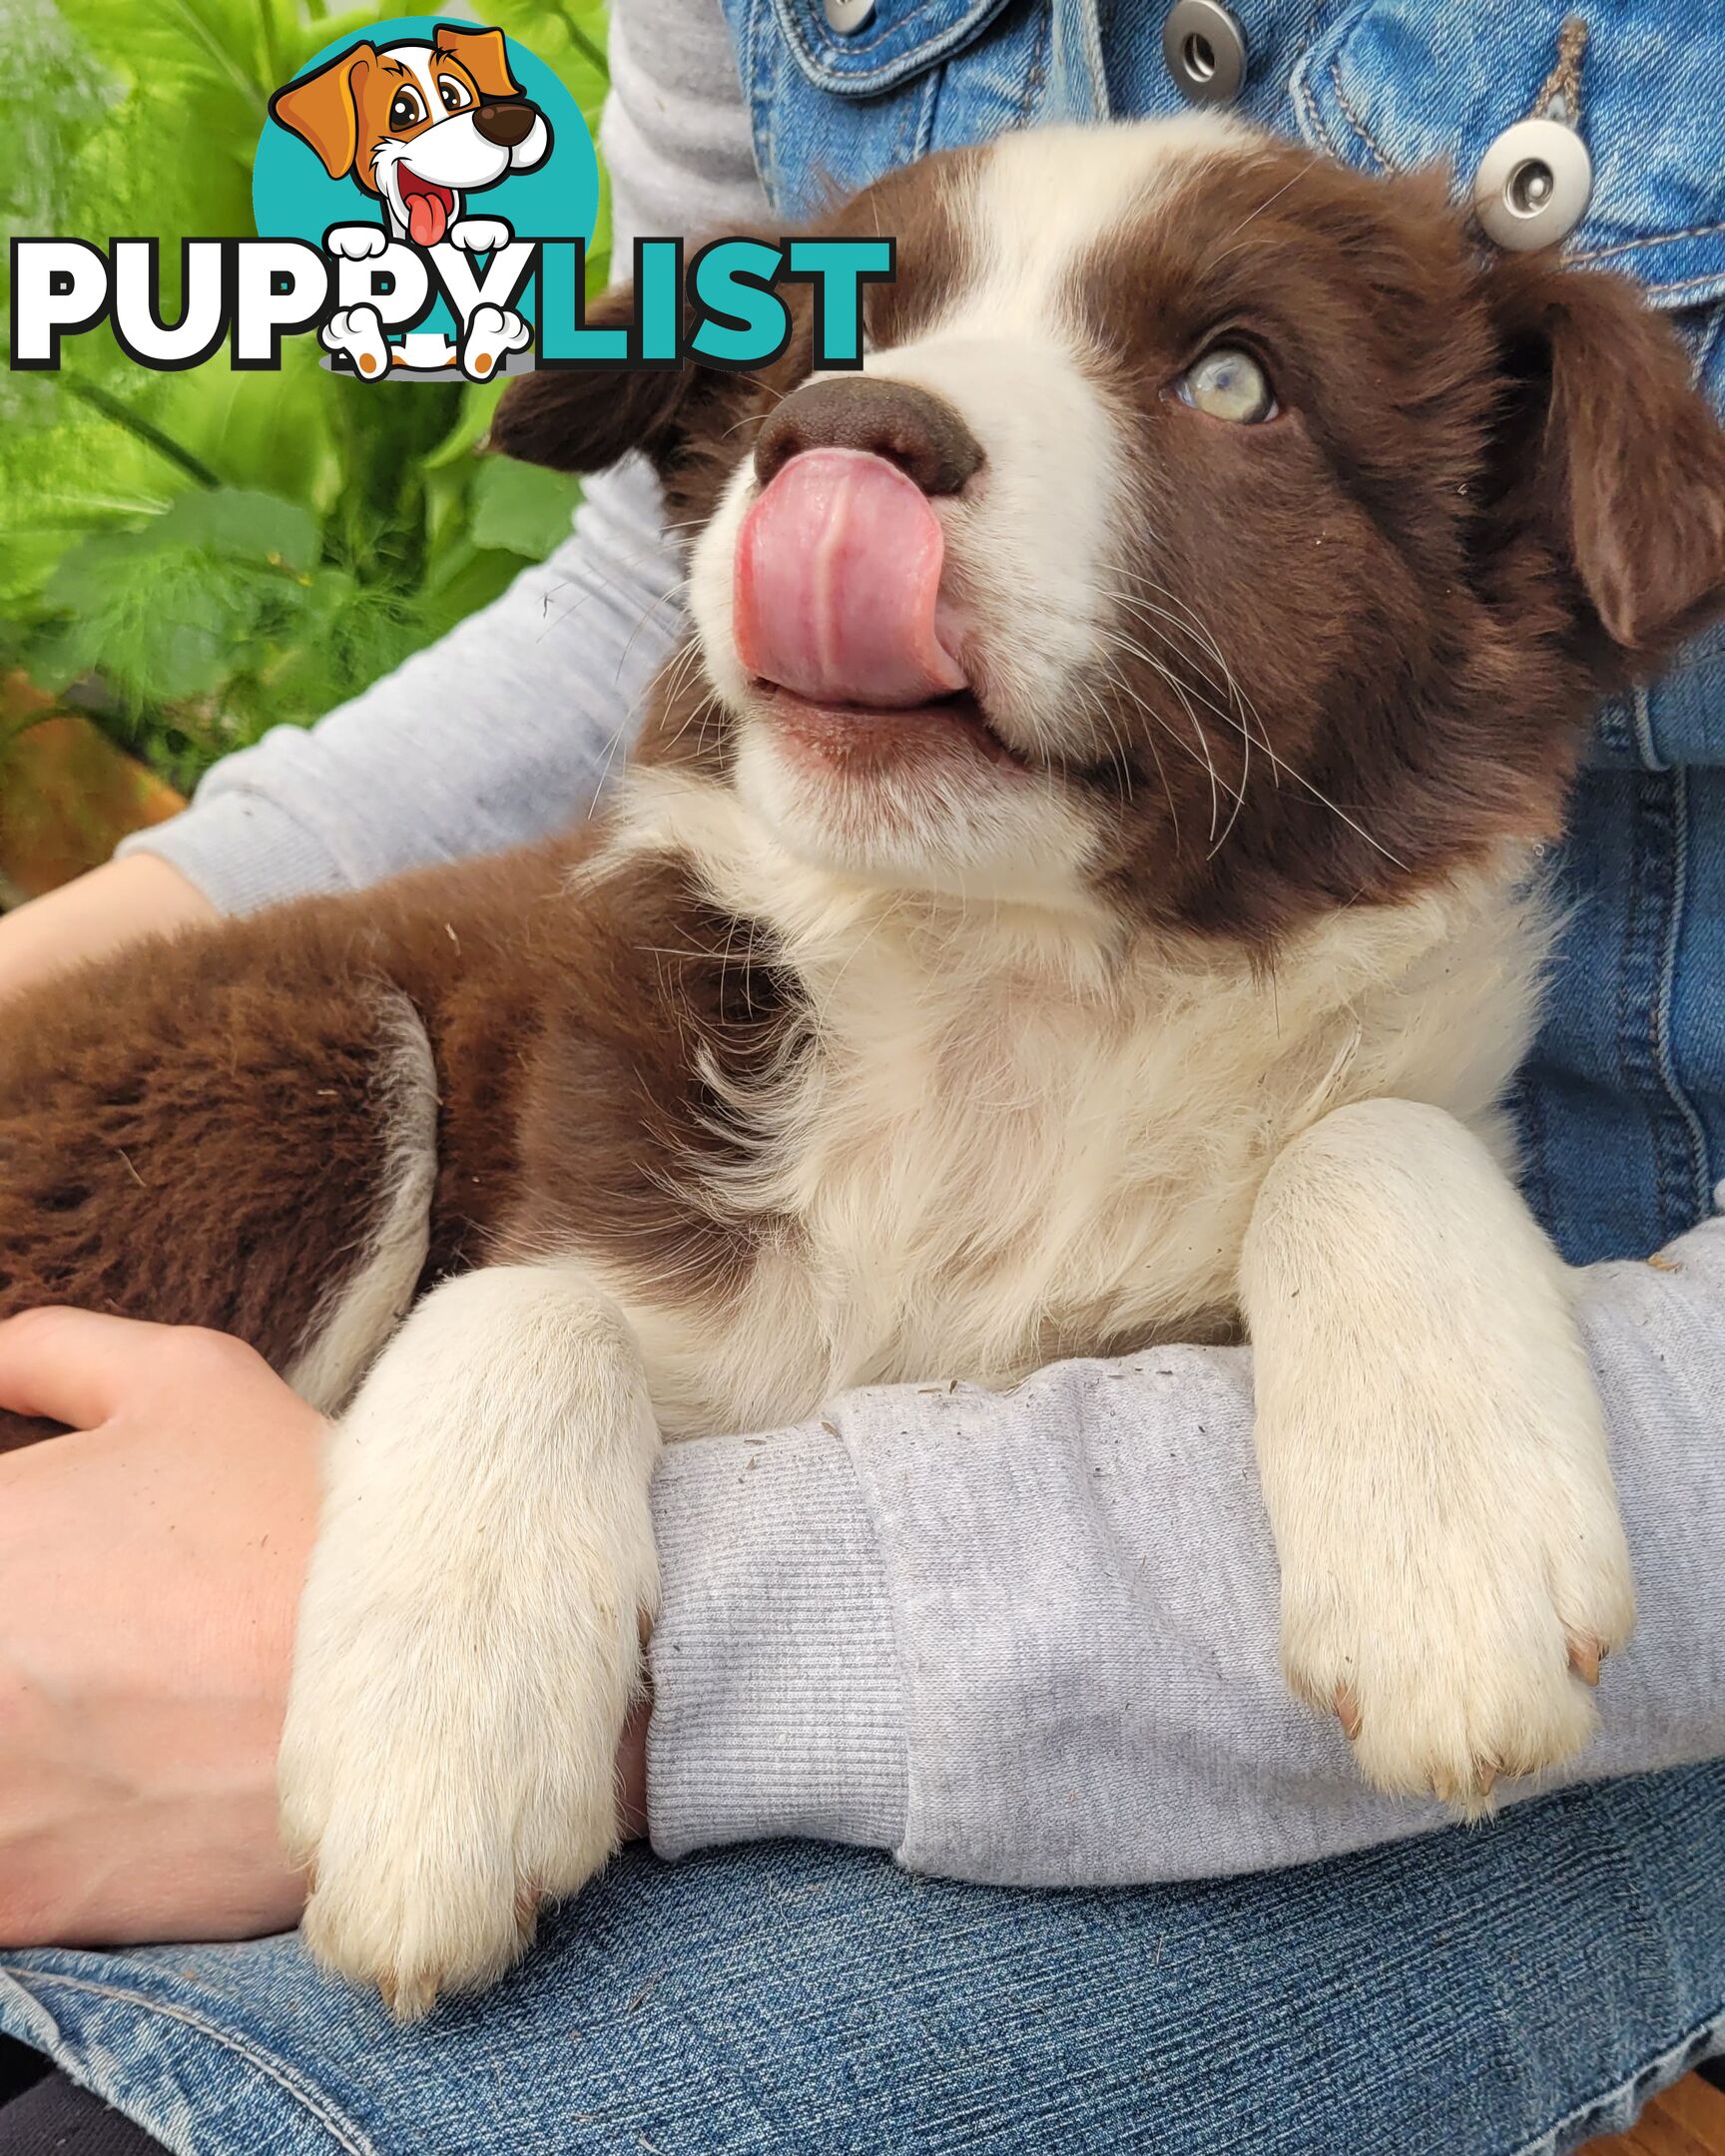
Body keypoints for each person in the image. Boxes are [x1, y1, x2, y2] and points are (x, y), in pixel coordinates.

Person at [0, 1, 1722, 2148]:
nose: (864, 428)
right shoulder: (650, 1075)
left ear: (1525, 556)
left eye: (1228, 376)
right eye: (835, 369)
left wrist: (659, 1665)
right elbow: (639, 576)